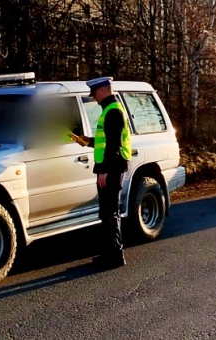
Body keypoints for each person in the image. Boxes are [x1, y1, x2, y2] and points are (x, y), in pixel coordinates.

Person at [71, 77, 132, 269]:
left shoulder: (112, 111)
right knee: (107, 212)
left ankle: (114, 256)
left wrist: (104, 171)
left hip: (111, 167)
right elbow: (105, 140)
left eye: (95, 93)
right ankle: (109, 254)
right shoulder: (110, 110)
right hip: (112, 166)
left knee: (110, 212)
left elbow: (114, 145)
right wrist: (87, 141)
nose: (94, 98)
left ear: (104, 90)